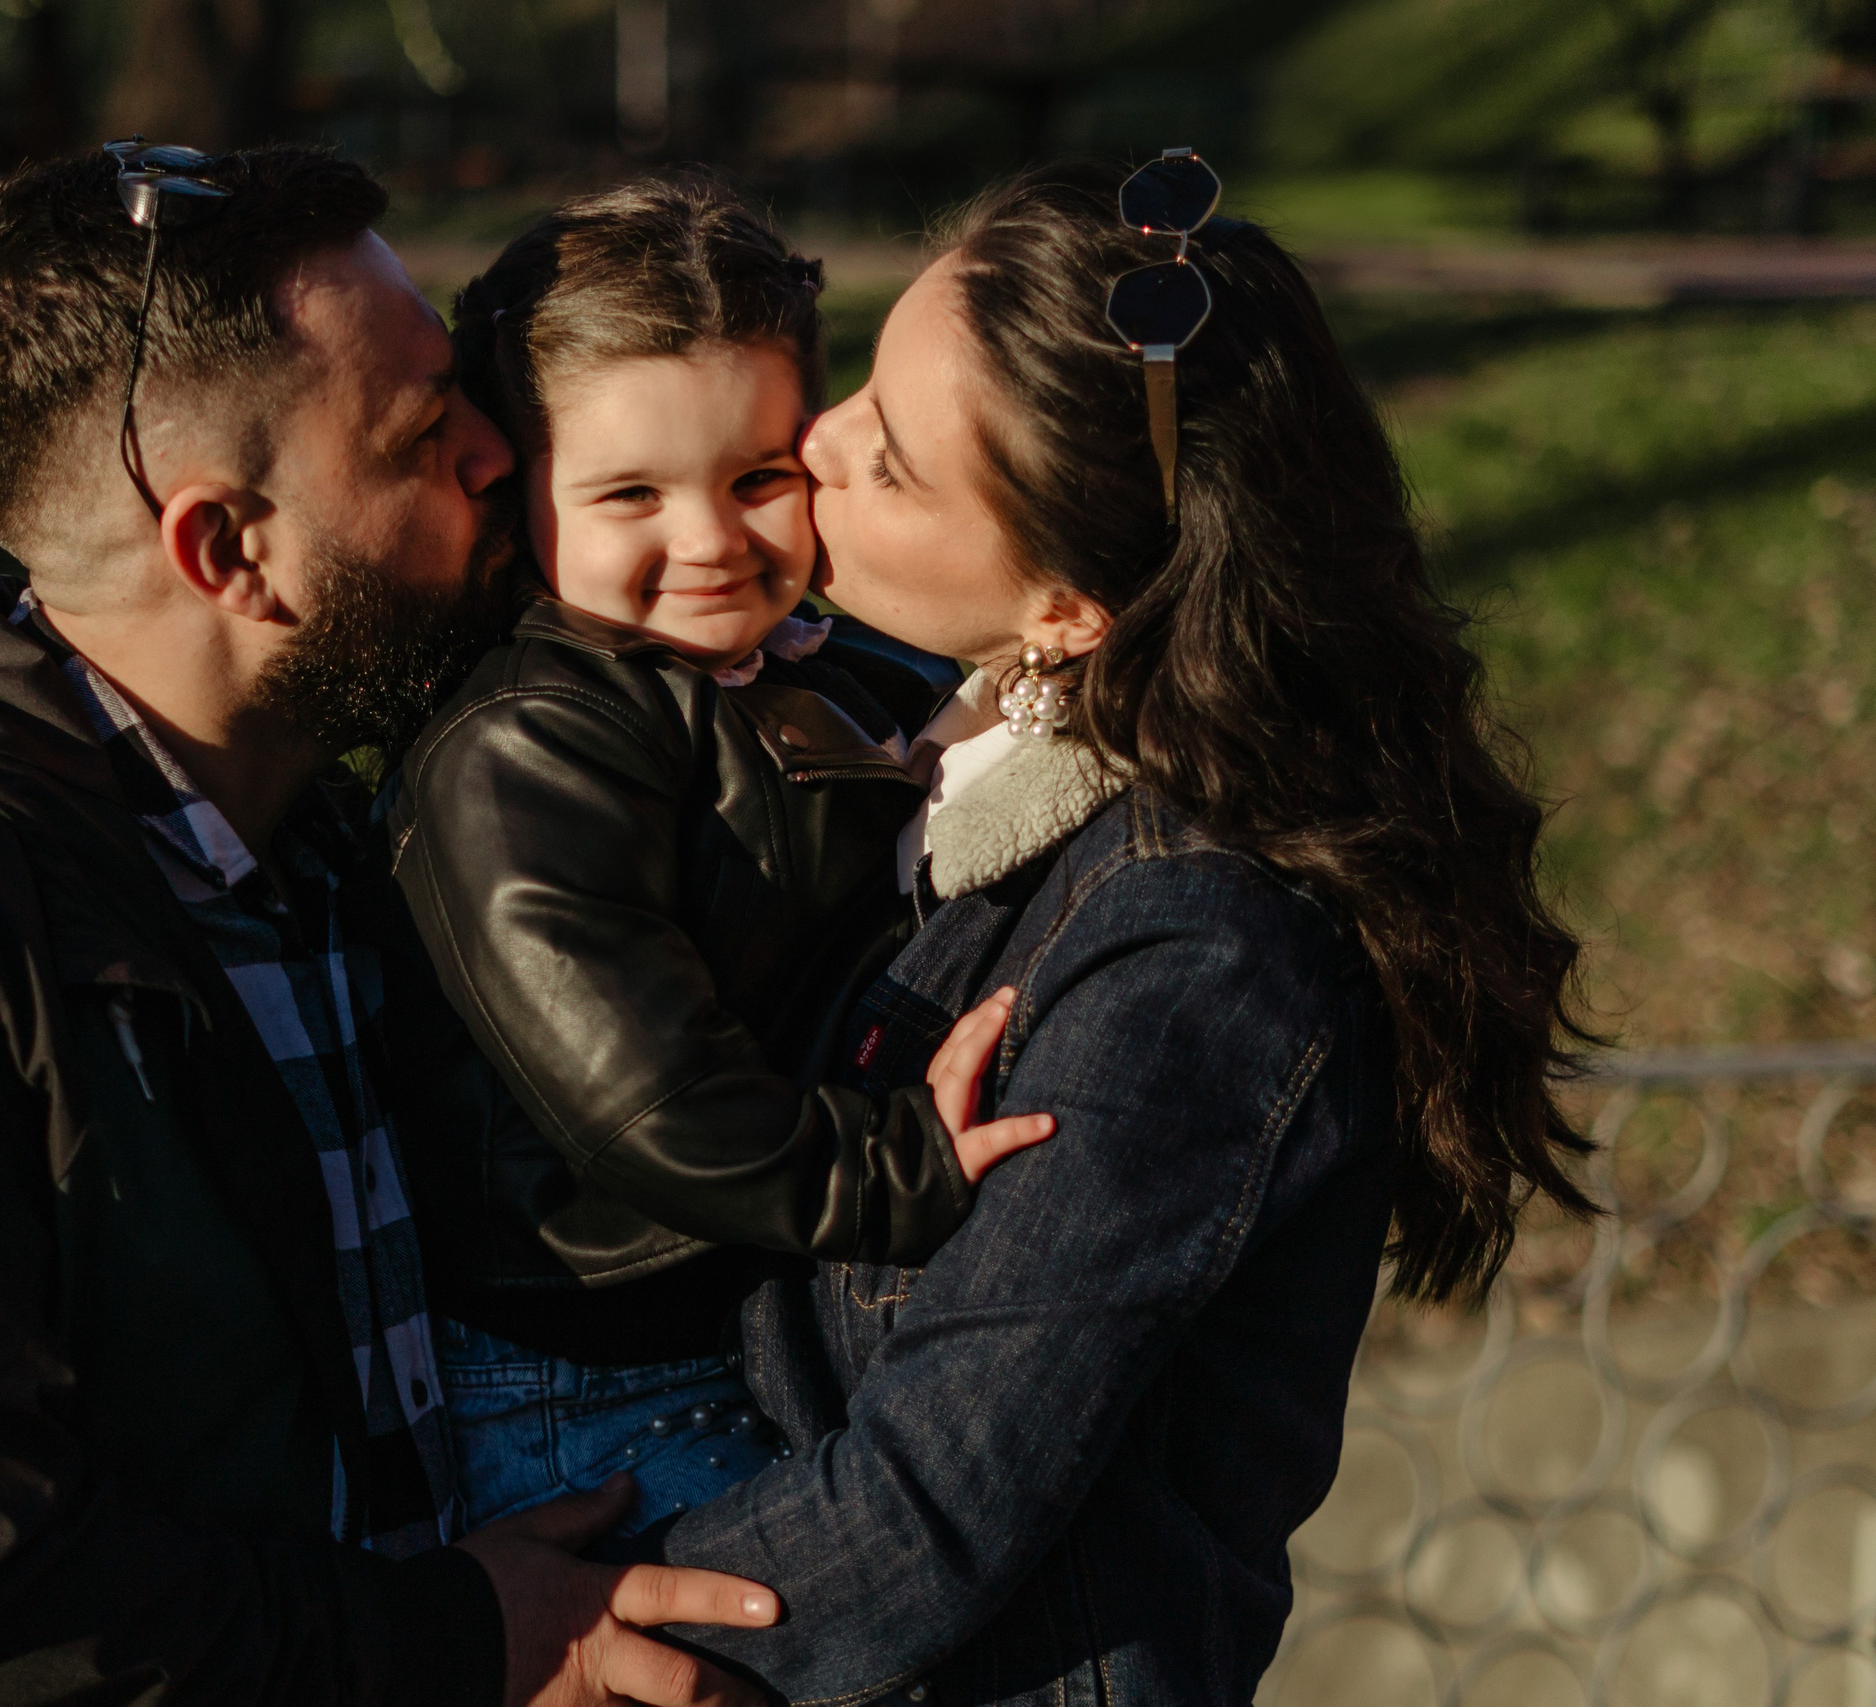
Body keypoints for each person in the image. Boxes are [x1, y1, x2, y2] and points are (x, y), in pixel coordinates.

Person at [0, 144, 784, 1707]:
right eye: (426, 428)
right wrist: (465, 1642)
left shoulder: (325, 839)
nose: (498, 454)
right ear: (224, 549)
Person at [651, 161, 1598, 1705]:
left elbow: (933, 1497)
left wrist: (578, 1651)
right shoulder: (925, 787)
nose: (810, 443)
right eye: (858, 393)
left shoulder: (1192, 954)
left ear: (1073, 611)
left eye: (887, 464)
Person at [386, 177, 1051, 1539]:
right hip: (589, 1373)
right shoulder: (527, 743)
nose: (710, 542)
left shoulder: (828, 672)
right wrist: (895, 1173)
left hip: (747, 1309)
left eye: (760, 479)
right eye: (630, 492)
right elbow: (646, 1099)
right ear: (522, 495)